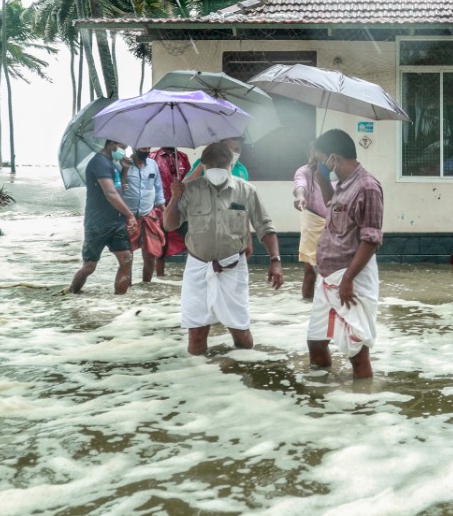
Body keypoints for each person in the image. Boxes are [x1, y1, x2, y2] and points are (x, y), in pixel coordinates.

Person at [162, 141, 284, 355]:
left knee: (240, 332)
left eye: (221, 164)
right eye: (211, 165)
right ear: (204, 166)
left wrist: (275, 261)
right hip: (198, 267)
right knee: (197, 332)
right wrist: (174, 198)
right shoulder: (190, 189)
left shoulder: (246, 191)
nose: (216, 169)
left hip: (232, 267)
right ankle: (199, 379)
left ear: (230, 164)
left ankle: (242, 374)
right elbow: (169, 224)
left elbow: (265, 227)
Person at [308, 129, 382, 380]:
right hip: (328, 277)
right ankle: (322, 399)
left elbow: (371, 240)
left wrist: (348, 279)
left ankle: (364, 407)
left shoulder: (367, 187)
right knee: (316, 343)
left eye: (321, 159)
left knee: (357, 353)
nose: (320, 163)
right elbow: (333, 209)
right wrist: (320, 176)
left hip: (351, 278)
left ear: (334, 158)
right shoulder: (341, 185)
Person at [69, 139, 139, 295]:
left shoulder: (112, 163)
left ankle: (119, 304)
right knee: (89, 267)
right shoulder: (99, 162)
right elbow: (110, 193)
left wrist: (124, 171)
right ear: (111, 144)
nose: (124, 151)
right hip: (98, 224)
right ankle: (71, 293)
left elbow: (118, 188)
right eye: (122, 147)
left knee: (126, 259)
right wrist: (130, 215)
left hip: (117, 222)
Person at [293, 145, 331, 300]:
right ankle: (306, 310)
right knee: (310, 273)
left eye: (321, 153)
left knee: (333, 272)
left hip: (334, 223)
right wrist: (300, 197)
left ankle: (331, 307)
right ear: (309, 154)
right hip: (312, 222)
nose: (317, 156)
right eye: (313, 152)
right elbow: (299, 186)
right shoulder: (304, 172)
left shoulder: (336, 173)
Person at [125, 147, 166, 282]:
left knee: (150, 255)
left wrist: (165, 211)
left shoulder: (153, 164)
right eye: (143, 147)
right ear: (134, 147)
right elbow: (115, 189)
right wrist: (123, 171)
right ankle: (127, 289)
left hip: (149, 214)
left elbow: (158, 188)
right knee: (126, 257)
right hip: (128, 217)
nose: (146, 150)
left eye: (148, 148)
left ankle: (146, 287)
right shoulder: (123, 164)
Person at [150, 146, 192, 276]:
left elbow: (190, 180)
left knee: (191, 241)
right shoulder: (153, 158)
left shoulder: (183, 157)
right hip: (159, 207)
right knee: (161, 247)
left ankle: (190, 275)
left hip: (181, 207)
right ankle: (159, 278)